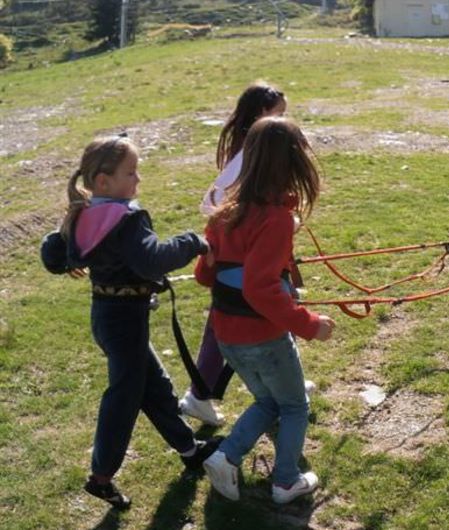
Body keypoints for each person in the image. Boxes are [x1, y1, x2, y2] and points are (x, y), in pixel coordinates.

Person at [40, 136, 220, 509]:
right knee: (124, 398)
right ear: (103, 181)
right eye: (130, 173)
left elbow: (54, 256)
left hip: (109, 318)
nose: (138, 180)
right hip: (123, 323)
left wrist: (65, 248)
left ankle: (189, 449)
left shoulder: (87, 213)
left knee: (154, 386)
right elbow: (152, 260)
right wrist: (194, 242)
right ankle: (101, 477)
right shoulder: (125, 219)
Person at [195, 117, 335, 504]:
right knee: (293, 405)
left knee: (269, 401)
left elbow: (204, 277)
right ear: (291, 166)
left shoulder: (225, 212)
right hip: (263, 338)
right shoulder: (274, 221)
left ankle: (226, 456)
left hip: (227, 336)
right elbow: (260, 289)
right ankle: (286, 480)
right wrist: (309, 324)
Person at [179, 83, 316, 426]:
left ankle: (286, 382)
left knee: (239, 322)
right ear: (260, 117)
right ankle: (199, 395)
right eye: (279, 115)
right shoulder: (253, 156)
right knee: (238, 322)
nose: (284, 121)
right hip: (239, 261)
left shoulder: (254, 151)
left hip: (241, 257)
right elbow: (214, 203)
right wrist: (260, 227)